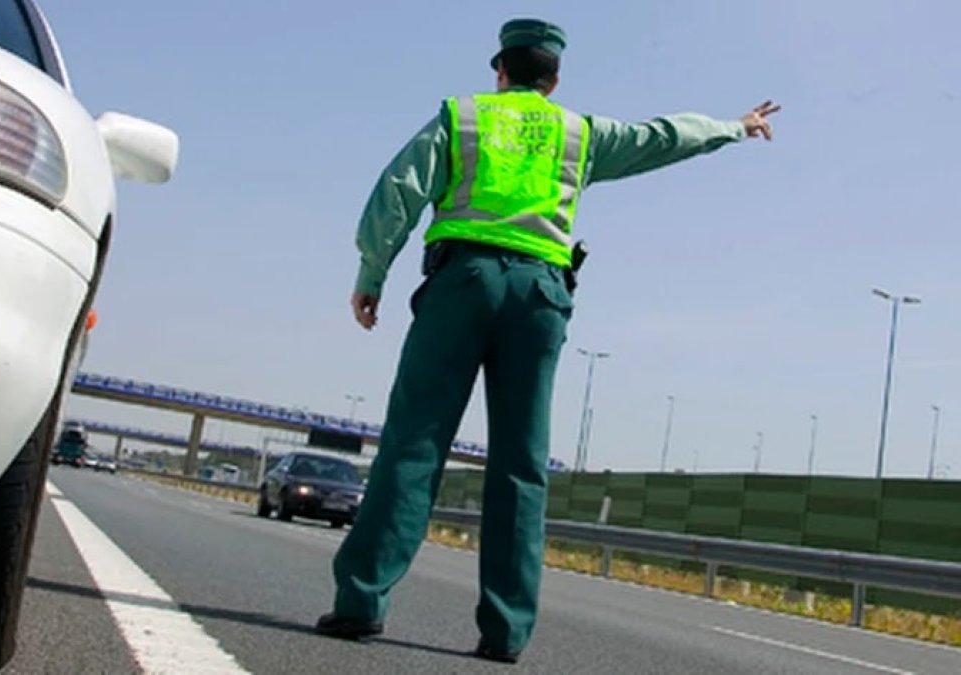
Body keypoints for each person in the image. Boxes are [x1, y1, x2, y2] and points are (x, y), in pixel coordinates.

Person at [314, 18, 780, 664]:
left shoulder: (463, 117)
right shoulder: (579, 133)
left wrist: (372, 272)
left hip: (461, 285)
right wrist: (736, 125)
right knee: (520, 464)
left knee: (413, 444)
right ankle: (504, 632)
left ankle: (361, 602)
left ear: (498, 70)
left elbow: (399, 191)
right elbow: (662, 137)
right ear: (554, 79)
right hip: (538, 300)